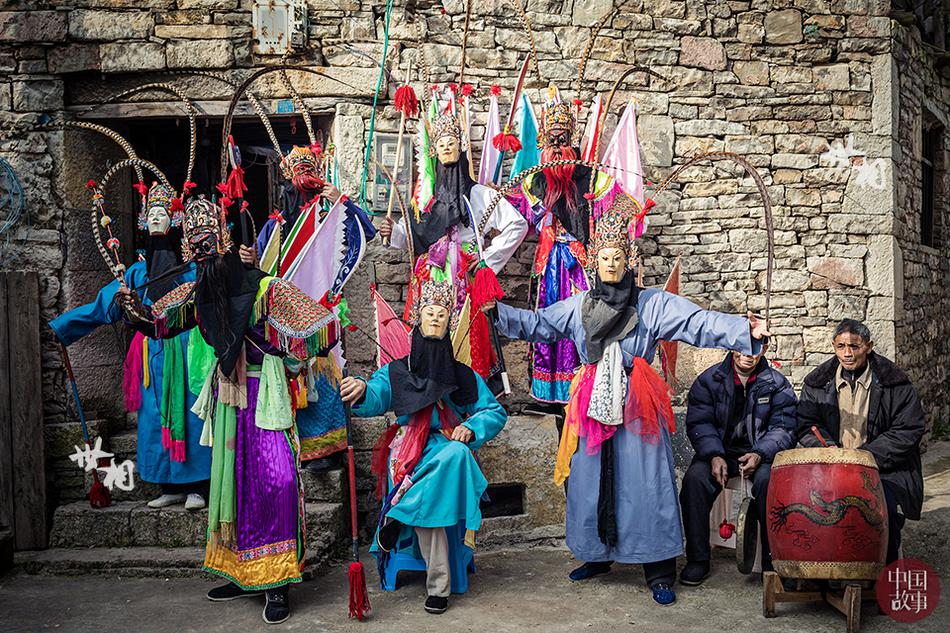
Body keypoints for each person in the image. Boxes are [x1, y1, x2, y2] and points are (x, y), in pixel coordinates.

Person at [488, 191, 771, 605]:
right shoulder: (580, 306)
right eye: (605, 258)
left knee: (645, 483)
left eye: (618, 257)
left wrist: (743, 331)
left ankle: (657, 567)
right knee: (588, 480)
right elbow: (540, 325)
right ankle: (596, 555)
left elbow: (698, 322)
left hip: (638, 401)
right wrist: (496, 312)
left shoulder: (653, 304)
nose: (612, 263)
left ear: (629, 263)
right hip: (591, 404)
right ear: (594, 264)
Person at [119, 196, 341, 624]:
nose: (203, 255)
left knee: (275, 480)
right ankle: (241, 572)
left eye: (208, 245)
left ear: (223, 243)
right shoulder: (199, 290)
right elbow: (160, 324)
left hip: (265, 396)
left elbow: (324, 329)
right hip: (227, 398)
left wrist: (286, 345)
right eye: (195, 248)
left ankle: (276, 580)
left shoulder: (265, 287)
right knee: (231, 484)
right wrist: (132, 309)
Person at [340, 279, 507, 615]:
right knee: (444, 475)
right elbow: (375, 396)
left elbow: (494, 411)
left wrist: (471, 427)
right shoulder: (397, 371)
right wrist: (360, 387)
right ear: (417, 318)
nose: (434, 319)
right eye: (429, 312)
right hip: (407, 453)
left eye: (442, 315)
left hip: (447, 448)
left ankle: (398, 516)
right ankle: (439, 585)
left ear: (450, 324)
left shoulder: (464, 375)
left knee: (457, 454)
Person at [51, 182, 212, 510]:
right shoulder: (137, 272)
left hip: (188, 352)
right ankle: (168, 484)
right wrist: (63, 328)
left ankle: (199, 485)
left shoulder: (193, 269)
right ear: (142, 221)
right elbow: (103, 305)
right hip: (151, 354)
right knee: (155, 416)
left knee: (192, 414)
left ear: (175, 222)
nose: (156, 219)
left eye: (163, 214)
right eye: (150, 214)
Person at [240, 144, 377, 471]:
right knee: (289, 374)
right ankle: (289, 445)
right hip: (283, 316)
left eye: (309, 170)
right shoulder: (275, 226)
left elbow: (365, 231)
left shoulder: (329, 214)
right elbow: (260, 269)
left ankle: (324, 448)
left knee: (322, 371)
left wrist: (342, 201)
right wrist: (248, 261)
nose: (304, 178)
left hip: (320, 307)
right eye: (297, 171)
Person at [379, 106, 527, 390]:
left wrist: (487, 260)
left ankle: (467, 389)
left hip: (465, 278)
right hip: (430, 277)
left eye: (452, 144)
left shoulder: (479, 194)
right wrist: (392, 233)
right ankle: (426, 386)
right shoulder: (424, 200)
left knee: (468, 331)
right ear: (434, 151)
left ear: (460, 150)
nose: (447, 149)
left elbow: (517, 225)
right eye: (441, 145)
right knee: (429, 330)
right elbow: (411, 237)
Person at [797, 319, 925, 564]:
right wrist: (826, 449)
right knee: (812, 508)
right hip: (831, 465)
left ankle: (879, 577)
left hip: (882, 468)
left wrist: (865, 457)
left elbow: (908, 429)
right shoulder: (817, 382)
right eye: (841, 346)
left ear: (868, 346)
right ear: (833, 346)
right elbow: (806, 424)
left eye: (854, 346)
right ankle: (827, 574)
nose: (847, 353)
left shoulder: (894, 382)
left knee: (880, 511)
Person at [678, 341, 797, 585]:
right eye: (743, 346)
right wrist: (713, 454)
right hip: (719, 451)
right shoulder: (710, 380)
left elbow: (784, 427)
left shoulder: (776, 383)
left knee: (771, 484)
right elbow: (700, 423)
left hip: (760, 454)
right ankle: (698, 559)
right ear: (733, 347)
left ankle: (772, 564)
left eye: (756, 349)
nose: (748, 354)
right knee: (694, 481)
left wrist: (760, 453)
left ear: (763, 351)